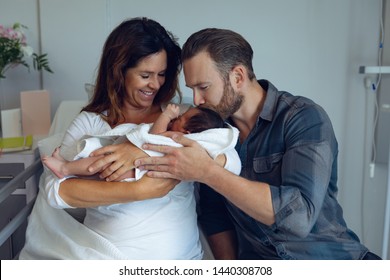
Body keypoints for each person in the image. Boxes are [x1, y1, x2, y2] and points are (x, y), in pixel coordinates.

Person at [123, 28, 380, 260]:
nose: (197, 100)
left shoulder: (303, 117)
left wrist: (209, 172)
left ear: (237, 76)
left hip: (330, 261)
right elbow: (214, 215)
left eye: (203, 87)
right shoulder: (210, 133)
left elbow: (299, 218)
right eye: (193, 89)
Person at [19, 18, 239, 260]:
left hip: (179, 259)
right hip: (105, 256)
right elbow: (56, 191)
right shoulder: (91, 121)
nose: (155, 84)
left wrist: (142, 152)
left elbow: (229, 159)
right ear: (119, 71)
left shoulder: (183, 116)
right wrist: (139, 190)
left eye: (162, 74)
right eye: (145, 75)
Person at [41, 104, 228, 181]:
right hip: (134, 166)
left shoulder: (177, 139)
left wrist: (167, 114)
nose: (177, 115)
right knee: (99, 159)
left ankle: (65, 169)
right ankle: (66, 166)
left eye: (182, 117)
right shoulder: (184, 140)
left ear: (186, 131)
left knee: (98, 162)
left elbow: (155, 134)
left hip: (135, 170)